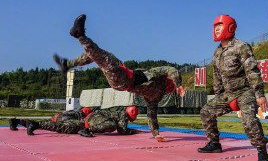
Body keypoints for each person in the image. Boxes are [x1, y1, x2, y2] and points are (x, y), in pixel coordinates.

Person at [53, 14, 186, 142]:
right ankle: (67, 64)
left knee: (103, 57)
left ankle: (79, 35)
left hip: (123, 81)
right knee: (101, 55)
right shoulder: (156, 93)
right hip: (124, 74)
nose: (169, 87)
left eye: (170, 86)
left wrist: (178, 84)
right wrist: (156, 133)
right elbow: (152, 115)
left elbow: (170, 70)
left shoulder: (157, 87)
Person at [197, 15, 268, 161]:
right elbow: (217, 76)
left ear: (230, 27)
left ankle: (262, 150)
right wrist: (218, 97)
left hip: (245, 92)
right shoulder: (217, 52)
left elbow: (252, 71)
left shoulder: (241, 46)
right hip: (227, 94)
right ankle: (214, 143)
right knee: (206, 112)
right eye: (215, 26)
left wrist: (259, 94)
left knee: (249, 121)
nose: (216, 29)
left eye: (220, 25)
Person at [26, 106, 141, 137]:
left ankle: (36, 124)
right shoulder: (123, 115)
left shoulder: (121, 113)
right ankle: (87, 130)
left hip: (90, 119)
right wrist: (136, 131)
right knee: (111, 125)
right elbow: (122, 130)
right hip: (95, 118)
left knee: (67, 127)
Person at [21, 107, 94, 136]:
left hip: (57, 116)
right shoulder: (81, 113)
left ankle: (18, 121)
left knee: (46, 122)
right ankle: (36, 125)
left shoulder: (76, 110)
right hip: (64, 118)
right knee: (74, 126)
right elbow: (82, 122)